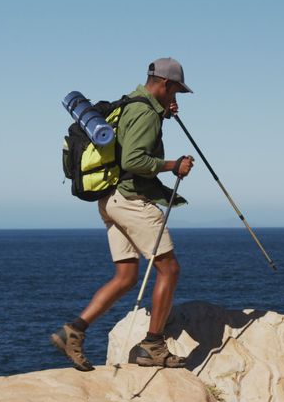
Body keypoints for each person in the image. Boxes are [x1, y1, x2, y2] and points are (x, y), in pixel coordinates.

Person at [51, 58, 195, 371]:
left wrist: (163, 115)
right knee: (169, 269)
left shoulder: (134, 103)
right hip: (132, 201)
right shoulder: (145, 112)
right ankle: (153, 345)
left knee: (127, 276)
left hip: (110, 200)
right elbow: (133, 160)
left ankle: (73, 331)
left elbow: (128, 144)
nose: (176, 98)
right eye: (176, 91)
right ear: (165, 84)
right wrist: (174, 166)